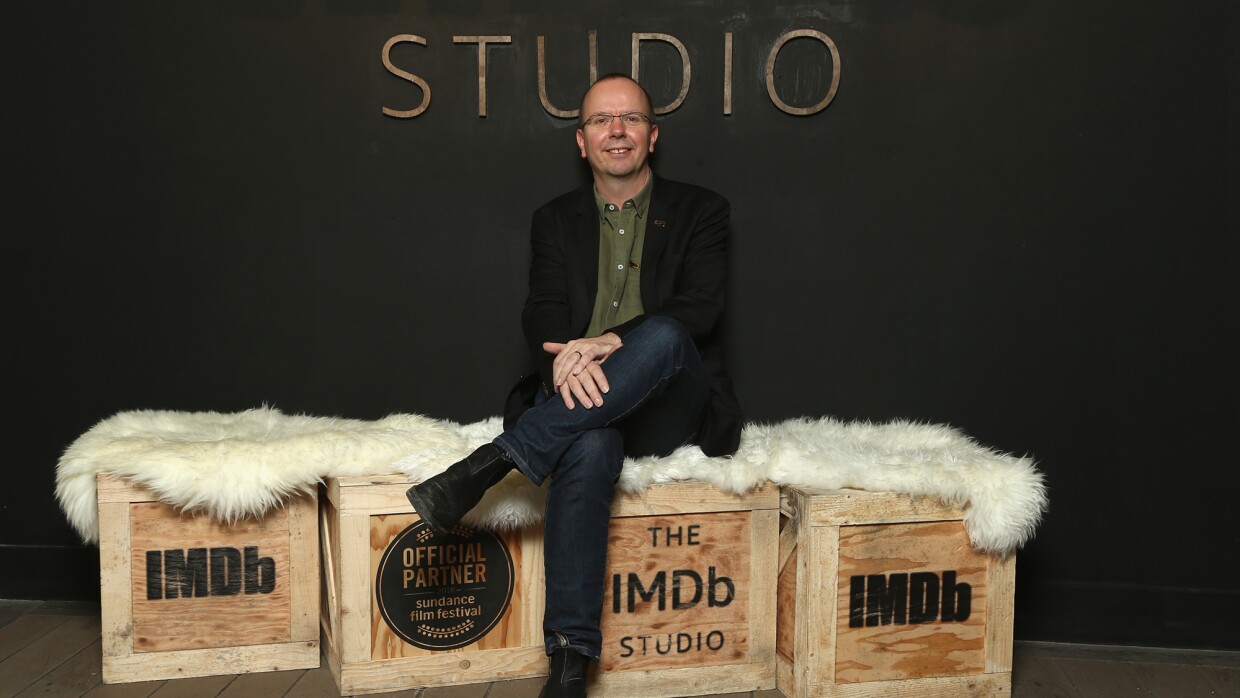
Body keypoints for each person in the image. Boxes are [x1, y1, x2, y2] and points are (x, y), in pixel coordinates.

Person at [406, 73, 742, 698]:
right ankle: (569, 664)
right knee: (588, 448)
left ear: (652, 135)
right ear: (581, 141)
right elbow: (544, 311)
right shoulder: (554, 220)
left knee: (666, 334)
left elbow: (700, 311)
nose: (617, 130)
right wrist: (562, 360)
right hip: (582, 401)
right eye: (601, 121)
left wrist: (611, 342)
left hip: (670, 402)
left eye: (631, 119)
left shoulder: (703, 210)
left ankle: (494, 462)